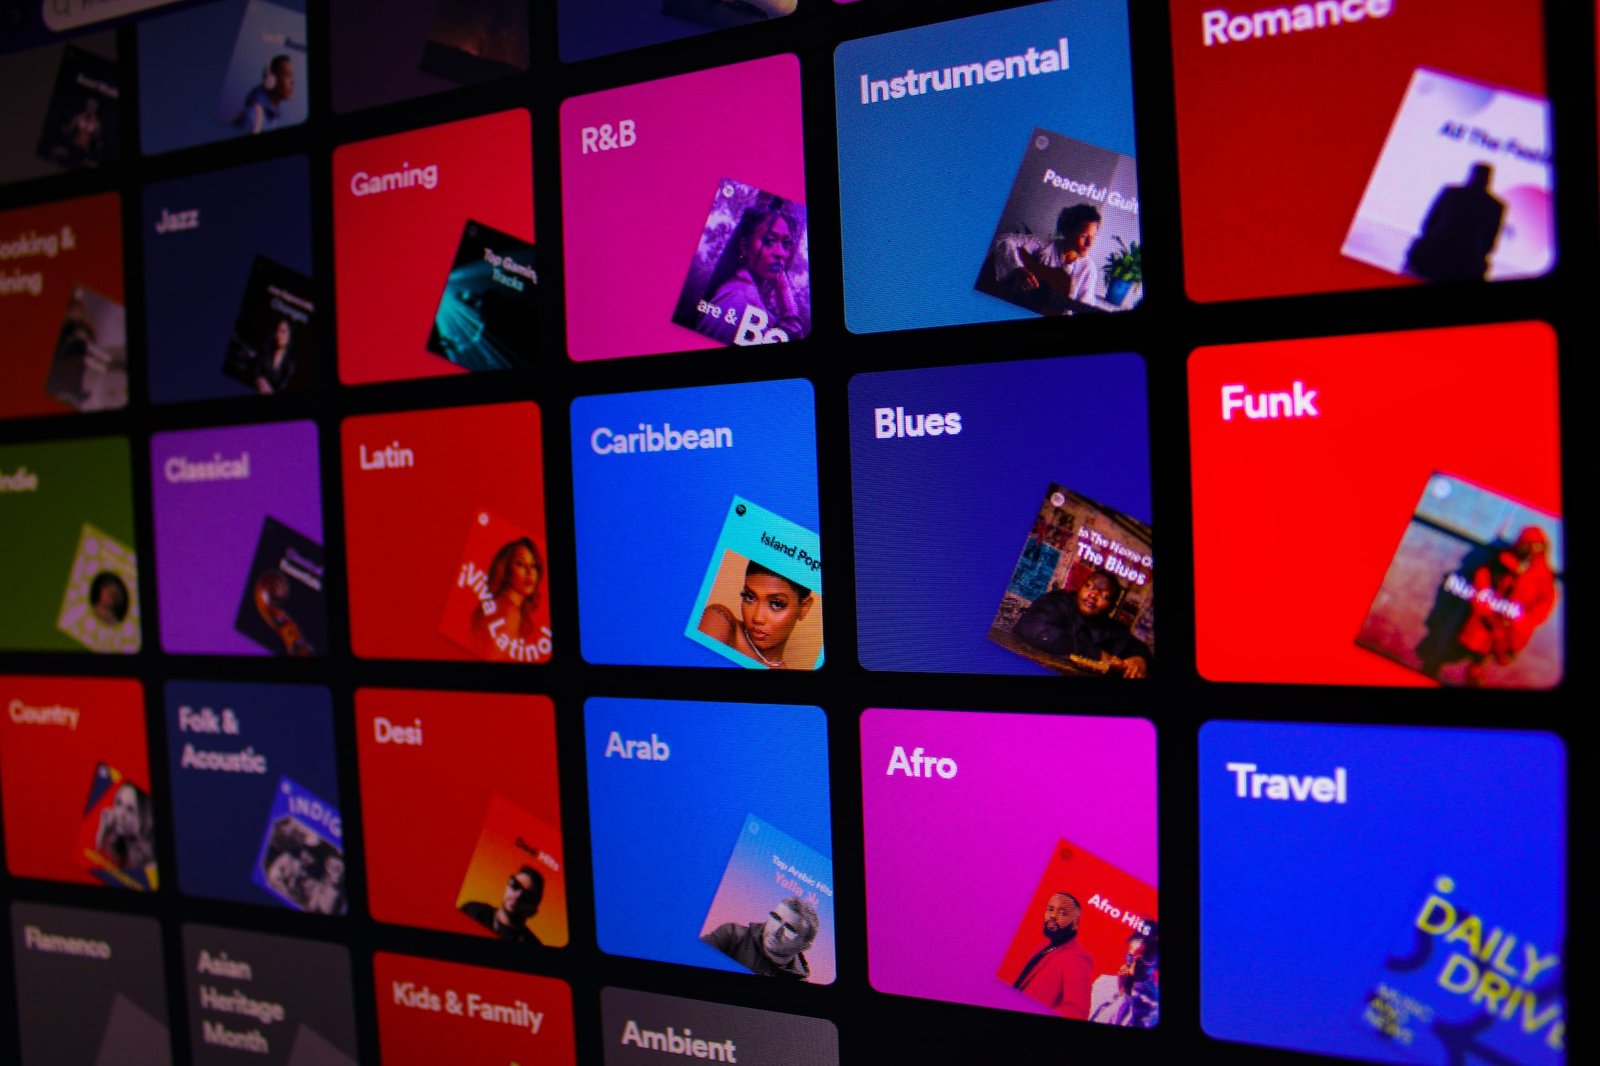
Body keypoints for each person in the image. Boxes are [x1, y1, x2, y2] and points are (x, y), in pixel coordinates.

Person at [1418, 525, 1557, 686]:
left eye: (1536, 546)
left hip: (1506, 631)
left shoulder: (1543, 577)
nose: (1531, 550)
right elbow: (1481, 580)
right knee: (1453, 650)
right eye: (1527, 544)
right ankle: (1430, 668)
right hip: (1482, 622)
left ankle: (1472, 674)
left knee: (1480, 663)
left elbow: (1541, 608)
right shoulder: (1501, 561)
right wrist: (1485, 608)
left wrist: (1518, 622)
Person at [695, 199, 806, 345]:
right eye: (769, 241)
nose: (781, 253)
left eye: (786, 244)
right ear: (744, 246)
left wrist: (784, 292)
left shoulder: (751, 294)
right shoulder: (738, 298)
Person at [1012, 569, 1152, 677]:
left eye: (1104, 595)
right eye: (1089, 586)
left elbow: (1138, 648)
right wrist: (1096, 654)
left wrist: (1141, 660)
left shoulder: (1112, 628)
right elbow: (1035, 629)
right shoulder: (1057, 603)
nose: (1093, 595)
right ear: (1081, 587)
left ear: (1111, 607)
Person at [698, 558, 814, 669]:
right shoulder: (720, 619)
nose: (757, 618)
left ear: (804, 608)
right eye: (749, 597)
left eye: (776, 604)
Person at [1403, 162, 1505, 282]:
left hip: (1430, 256)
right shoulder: (1495, 206)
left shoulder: (1451, 193)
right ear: (1489, 179)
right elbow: (1489, 244)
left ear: (1471, 174)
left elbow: (1427, 224)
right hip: (1466, 265)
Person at [991, 203, 1102, 312]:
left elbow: (1084, 305)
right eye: (1084, 236)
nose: (1089, 244)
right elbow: (1003, 240)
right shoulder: (1045, 247)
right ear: (1067, 231)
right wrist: (1018, 269)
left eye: (1093, 237)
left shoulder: (1088, 269)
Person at [1013, 892, 1094, 1019]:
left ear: (1075, 923)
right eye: (1050, 910)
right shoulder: (1043, 947)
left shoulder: (1077, 957)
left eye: (1063, 913)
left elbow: (1077, 1011)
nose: (1053, 916)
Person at [702, 897, 819, 980]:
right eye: (776, 918)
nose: (776, 931)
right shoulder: (731, 935)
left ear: (804, 946)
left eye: (789, 929)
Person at [471, 537, 545, 656]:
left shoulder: (499, 604)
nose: (529, 572)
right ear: (506, 570)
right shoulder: (510, 613)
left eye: (533, 565)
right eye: (520, 564)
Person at [1088, 927, 1160, 1027]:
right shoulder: (1104, 982)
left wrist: (1126, 992)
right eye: (1131, 957)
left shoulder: (1155, 1006)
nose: (1135, 964)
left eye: (1145, 958)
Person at [460, 865, 545, 944]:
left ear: (533, 911)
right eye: (515, 885)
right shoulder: (473, 911)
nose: (518, 895)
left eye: (527, 895)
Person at [95, 781, 155, 872]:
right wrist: (103, 831)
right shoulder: (118, 843)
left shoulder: (151, 862)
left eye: (130, 810)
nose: (120, 814)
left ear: (146, 817)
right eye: (119, 803)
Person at [232, 54, 295, 134]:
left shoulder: (272, 117)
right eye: (288, 75)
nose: (293, 82)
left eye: (292, 76)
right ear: (271, 79)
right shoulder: (252, 118)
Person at [248, 317, 296, 395]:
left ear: (290, 335)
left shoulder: (290, 364)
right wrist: (259, 381)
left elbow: (283, 387)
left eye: (283, 331)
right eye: (277, 331)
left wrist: (270, 390)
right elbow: (255, 372)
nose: (278, 334)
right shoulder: (266, 352)